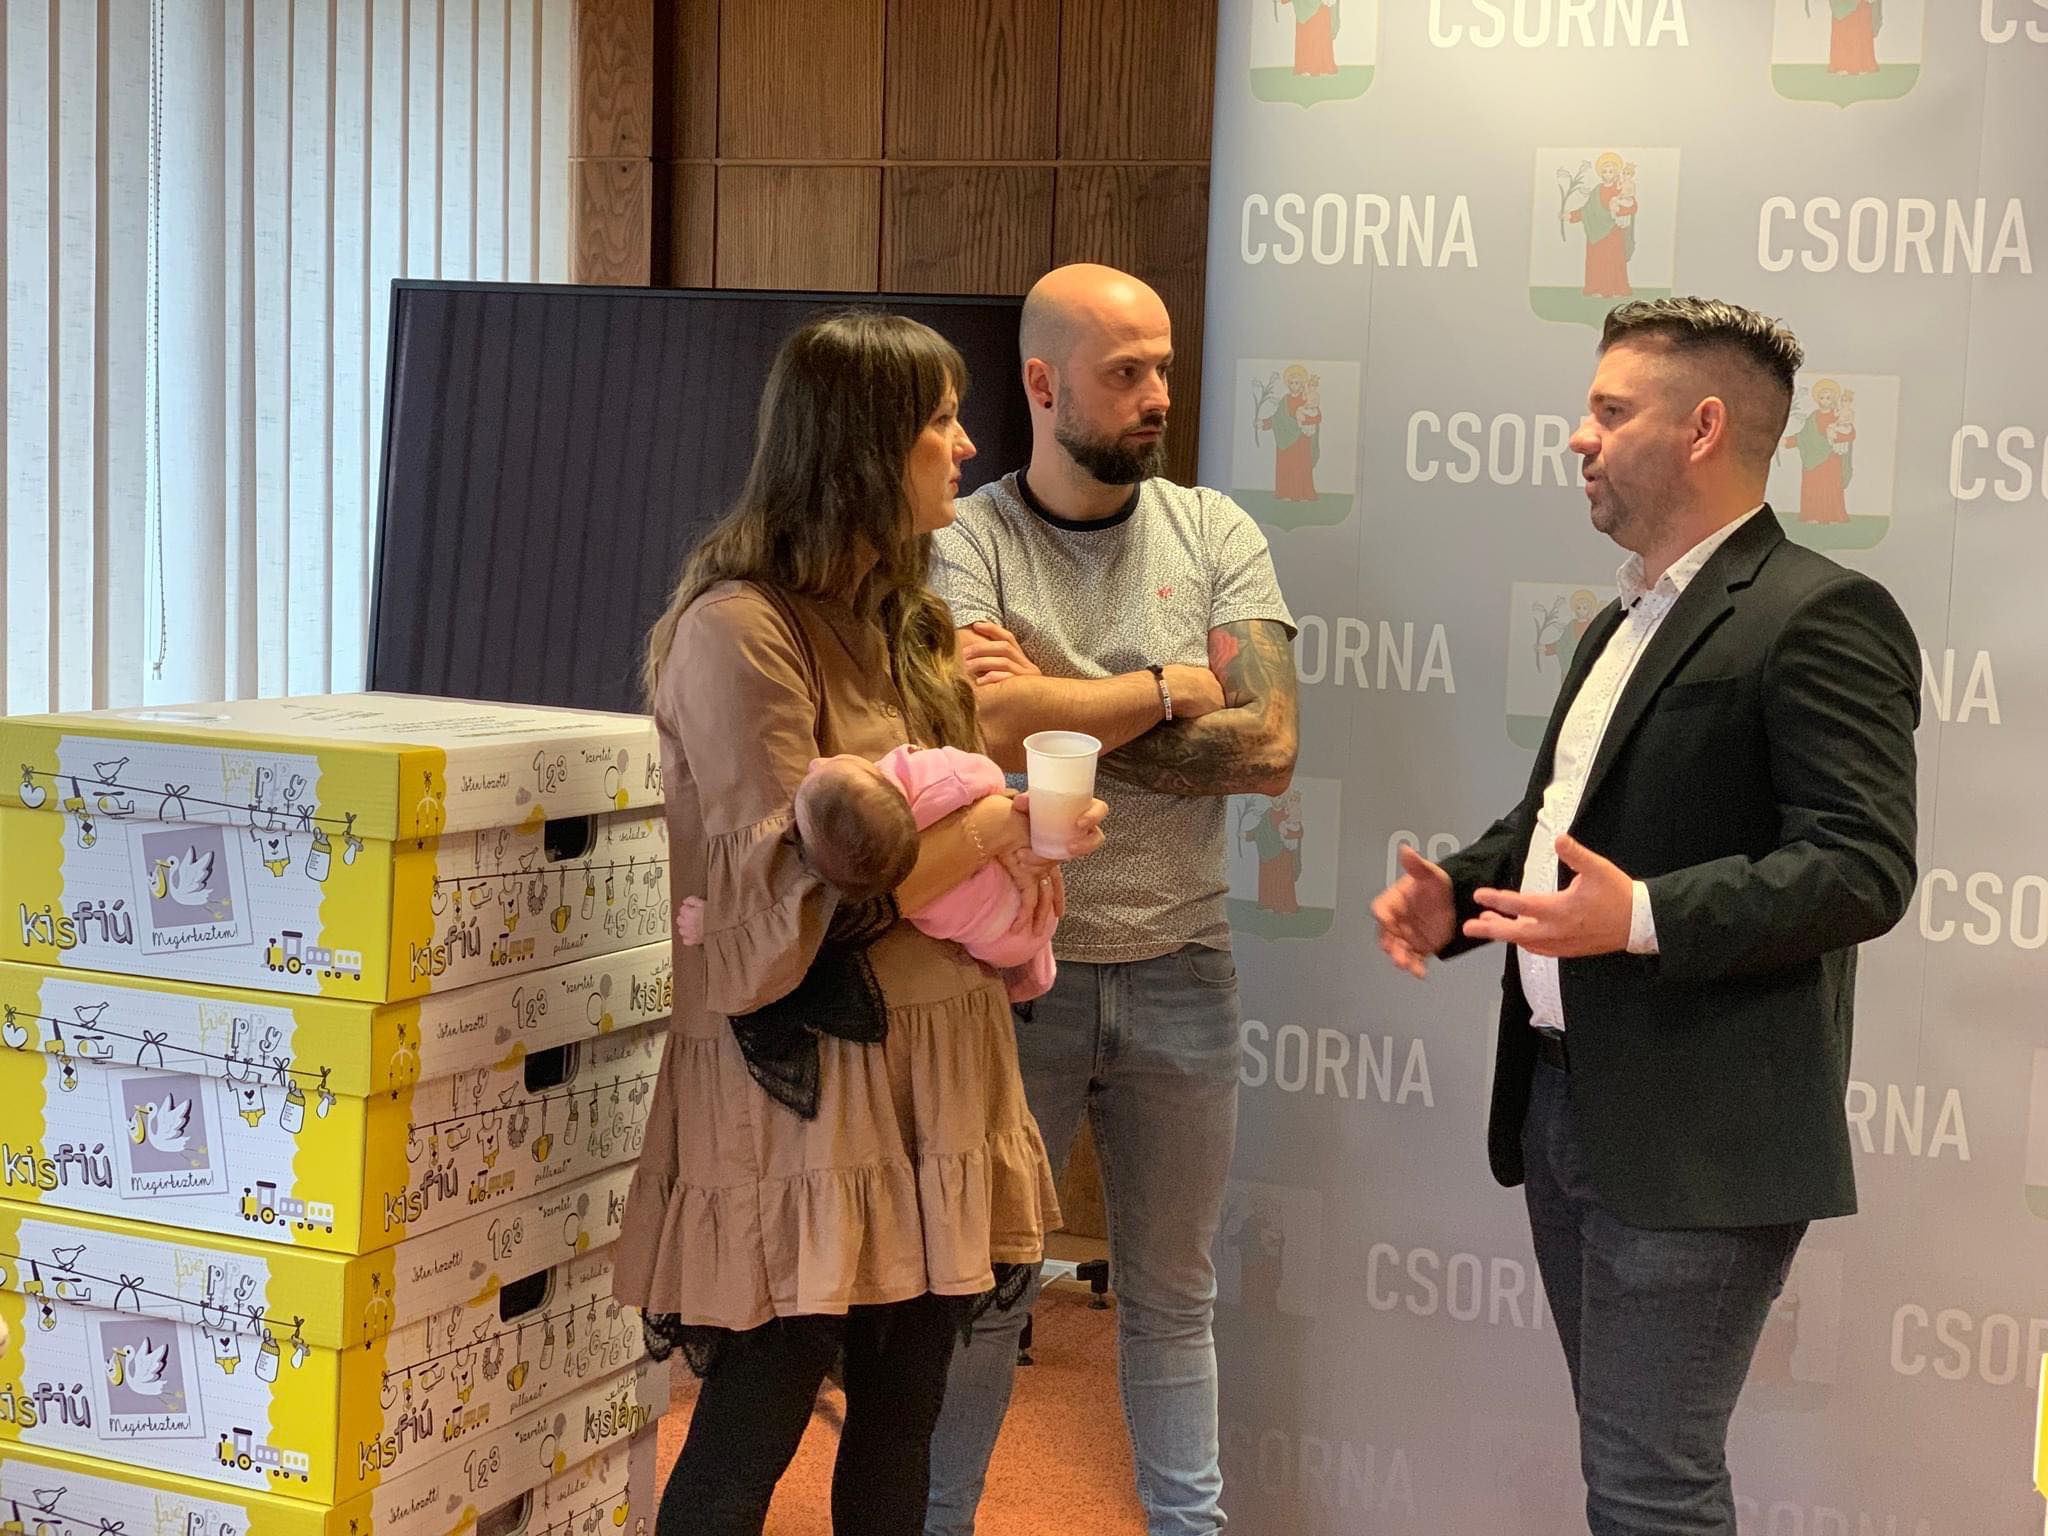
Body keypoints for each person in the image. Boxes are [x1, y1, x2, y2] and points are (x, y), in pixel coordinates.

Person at [1370, 297, 1920, 1536]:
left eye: (1609, 411)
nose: (1578, 436)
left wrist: (1644, 916)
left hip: (1700, 1140)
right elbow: (1552, 826)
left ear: (1701, 428)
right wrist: (1454, 894)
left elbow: (1860, 867)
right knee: (1630, 1475)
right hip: (1564, 1106)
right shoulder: (1620, 620)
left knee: (1647, 1490)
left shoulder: (1819, 613)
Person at [614, 311, 1108, 1536]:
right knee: (755, 1419)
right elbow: (807, 900)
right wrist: (991, 823)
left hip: (939, 1062)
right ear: (857, 444)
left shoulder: (909, 620)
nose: (967, 443)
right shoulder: (737, 630)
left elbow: (912, 841)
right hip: (809, 1081)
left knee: (902, 1425)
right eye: (938, 419)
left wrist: (1021, 839)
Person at [925, 263, 1300, 1536]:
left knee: (1172, 1299)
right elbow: (970, 725)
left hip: (1184, 968)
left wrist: (1051, 698)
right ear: (1041, 384)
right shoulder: (964, 540)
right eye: (1124, 372)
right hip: (1007, 970)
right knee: (987, 1295)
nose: (1157, 396)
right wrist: (1160, 687)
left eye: (1163, 368)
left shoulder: (1215, 533)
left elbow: (1266, 749)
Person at [677, 744, 1059, 1003]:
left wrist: (721, 922)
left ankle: (1033, 967)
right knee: (1024, 922)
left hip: (995, 940)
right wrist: (1001, 807)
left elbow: (802, 916)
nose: (815, 762)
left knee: (975, 922)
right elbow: (985, 773)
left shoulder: (884, 889)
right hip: (1021, 907)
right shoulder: (926, 776)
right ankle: (1038, 967)